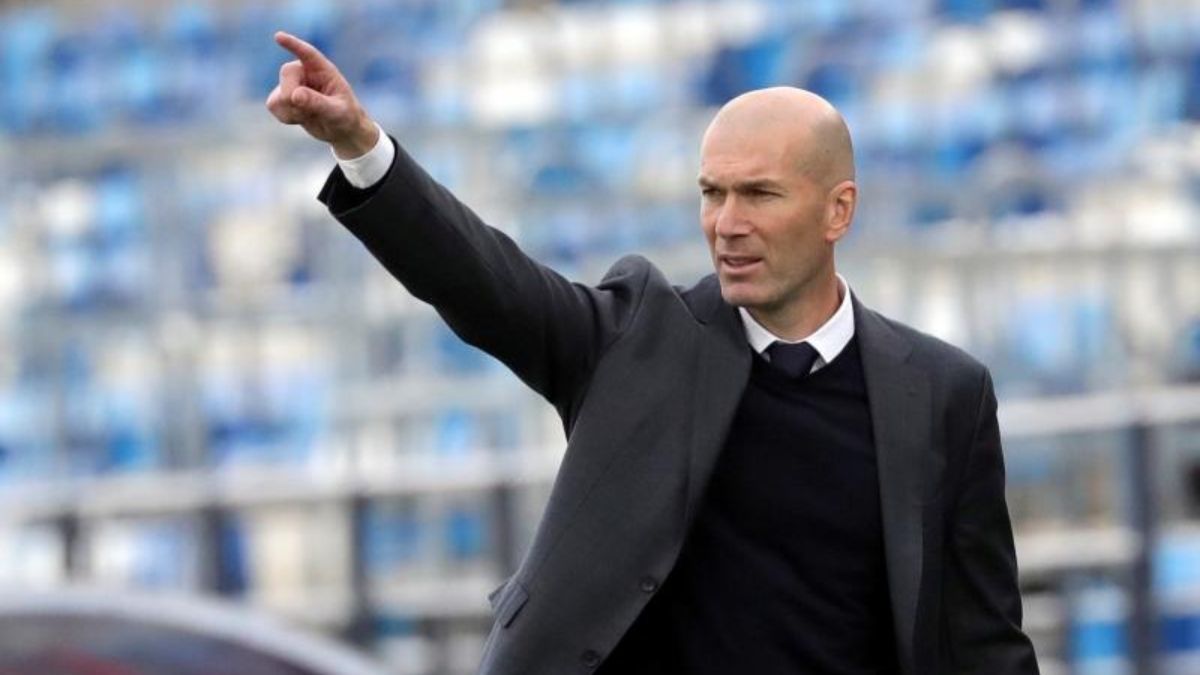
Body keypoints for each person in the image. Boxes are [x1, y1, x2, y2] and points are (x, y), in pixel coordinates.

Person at [267, 31, 1039, 675]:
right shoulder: (639, 338)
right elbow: (487, 285)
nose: (726, 223)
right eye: (712, 193)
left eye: (759, 194)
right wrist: (362, 148)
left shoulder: (944, 394)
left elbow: (983, 643)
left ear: (839, 209)